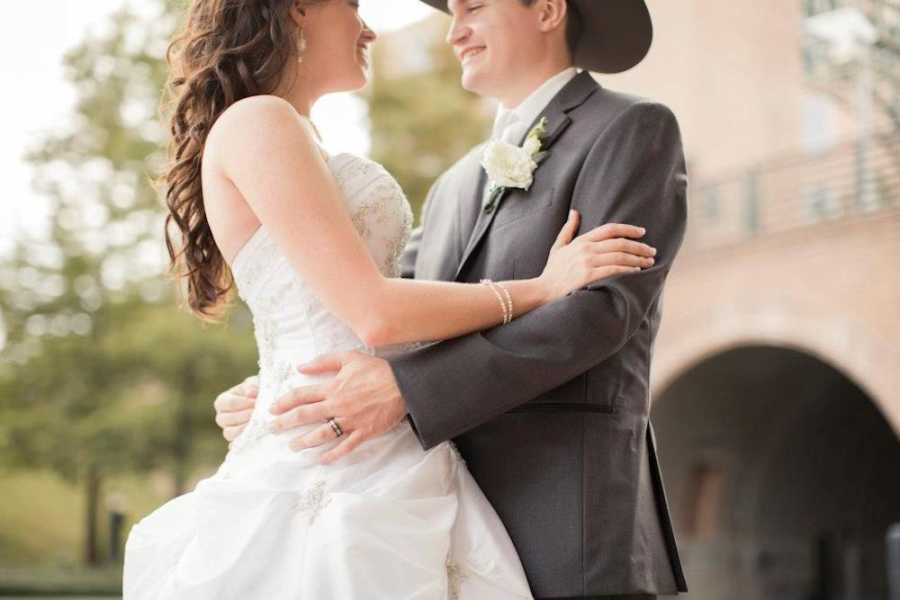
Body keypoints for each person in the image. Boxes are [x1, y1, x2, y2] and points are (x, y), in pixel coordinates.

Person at [122, 1, 658, 598]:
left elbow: (357, 302)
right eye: (352, 5)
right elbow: (374, 311)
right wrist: (540, 288)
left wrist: (289, 384)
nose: (369, 26)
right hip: (343, 464)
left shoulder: (629, 128)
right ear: (299, 9)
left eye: (473, 6)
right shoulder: (262, 122)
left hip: (419, 461)